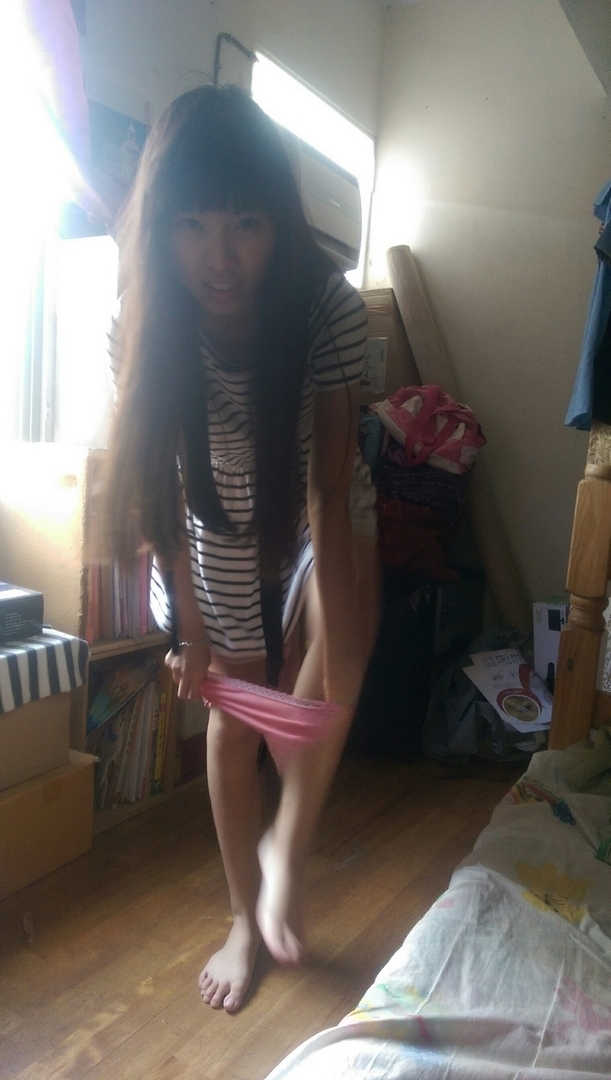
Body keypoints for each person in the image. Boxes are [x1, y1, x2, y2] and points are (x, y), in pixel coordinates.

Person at [105, 84, 378, 1014]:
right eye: (191, 227)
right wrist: (187, 631)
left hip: (314, 500)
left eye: (244, 226)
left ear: (278, 224)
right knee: (235, 709)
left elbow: (329, 491)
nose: (218, 260)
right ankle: (239, 914)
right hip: (208, 509)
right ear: (161, 227)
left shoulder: (327, 308)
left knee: (340, 648)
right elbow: (157, 480)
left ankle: (286, 846)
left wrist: (339, 646)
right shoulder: (141, 315)